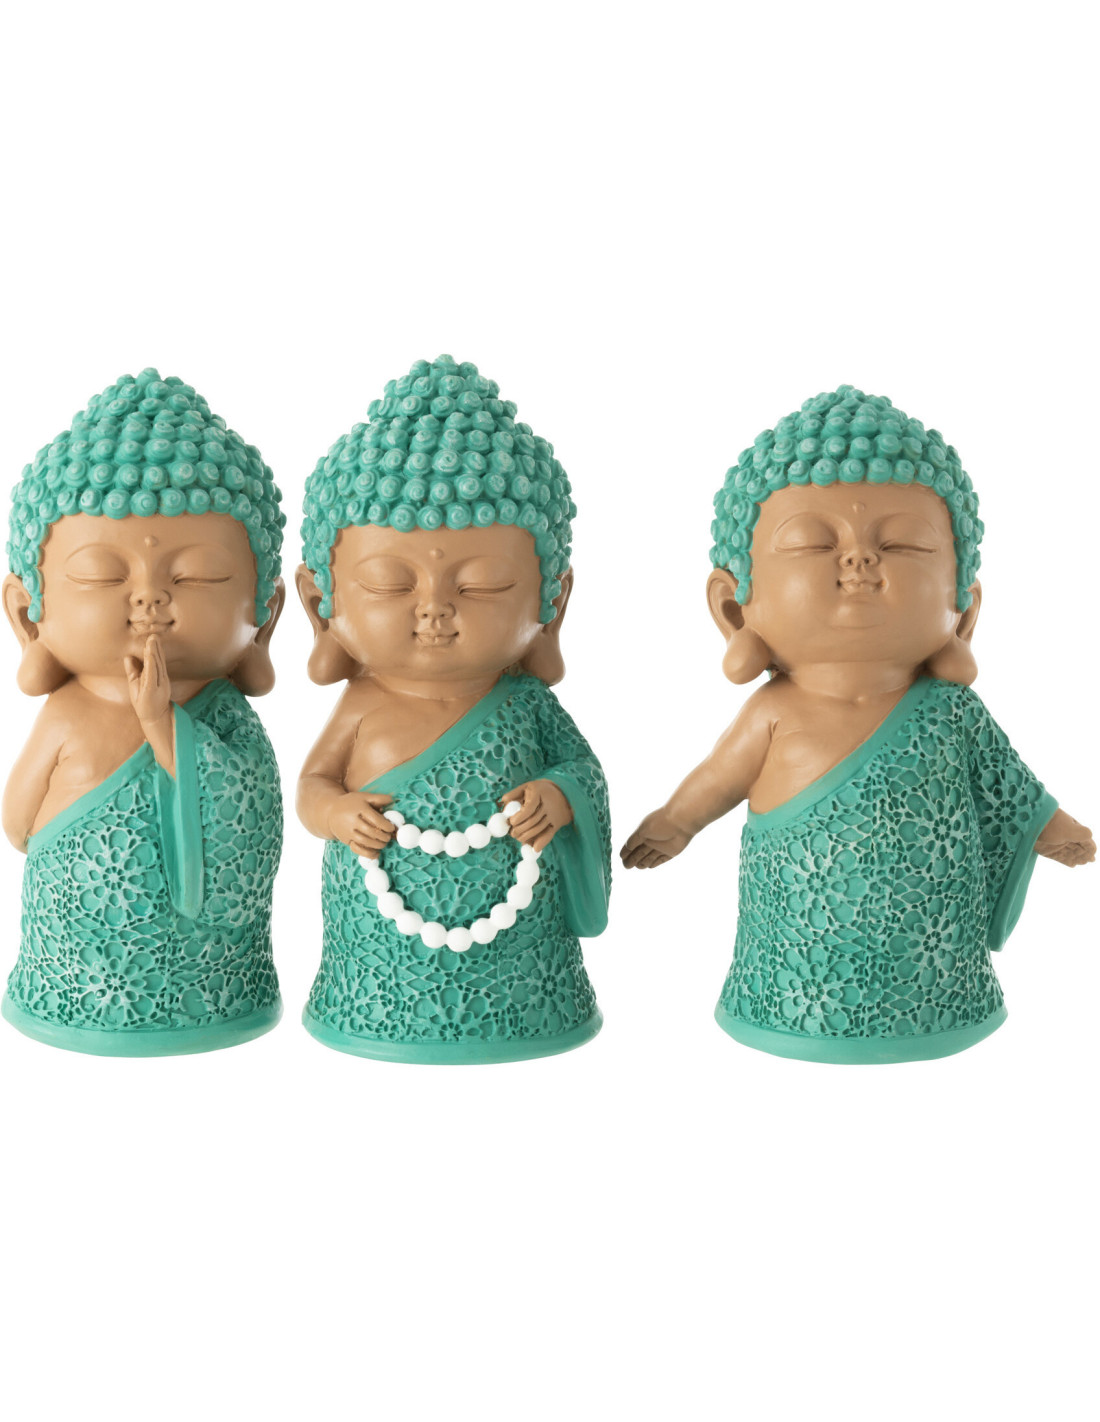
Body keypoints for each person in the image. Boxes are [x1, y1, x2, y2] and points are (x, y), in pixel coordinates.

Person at [621, 385, 1094, 1063]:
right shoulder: (774, 711)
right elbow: (720, 777)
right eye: (814, 543)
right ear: (735, 608)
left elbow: (1007, 787)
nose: (860, 561)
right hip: (792, 969)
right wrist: (676, 821)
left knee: (933, 973)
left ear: (962, 609)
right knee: (792, 972)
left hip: (932, 974)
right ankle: (791, 1008)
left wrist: (1052, 828)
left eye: (901, 544)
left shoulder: (952, 712)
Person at [297, 355, 609, 1062]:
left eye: (482, 586)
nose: (435, 609)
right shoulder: (362, 703)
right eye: (391, 584)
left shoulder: (525, 704)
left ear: (550, 604)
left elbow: (583, 770)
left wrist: (561, 795)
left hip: (523, 966)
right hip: (374, 961)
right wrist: (335, 814)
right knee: (374, 977)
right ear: (323, 605)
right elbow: (313, 785)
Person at [2, 368, 286, 1055]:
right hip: (70, 967)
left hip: (214, 980)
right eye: (103, 575)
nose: (150, 600)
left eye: (195, 577)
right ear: (28, 615)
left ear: (264, 615)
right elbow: (18, 825)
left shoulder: (224, 718)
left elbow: (254, 818)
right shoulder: (68, 711)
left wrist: (166, 729)